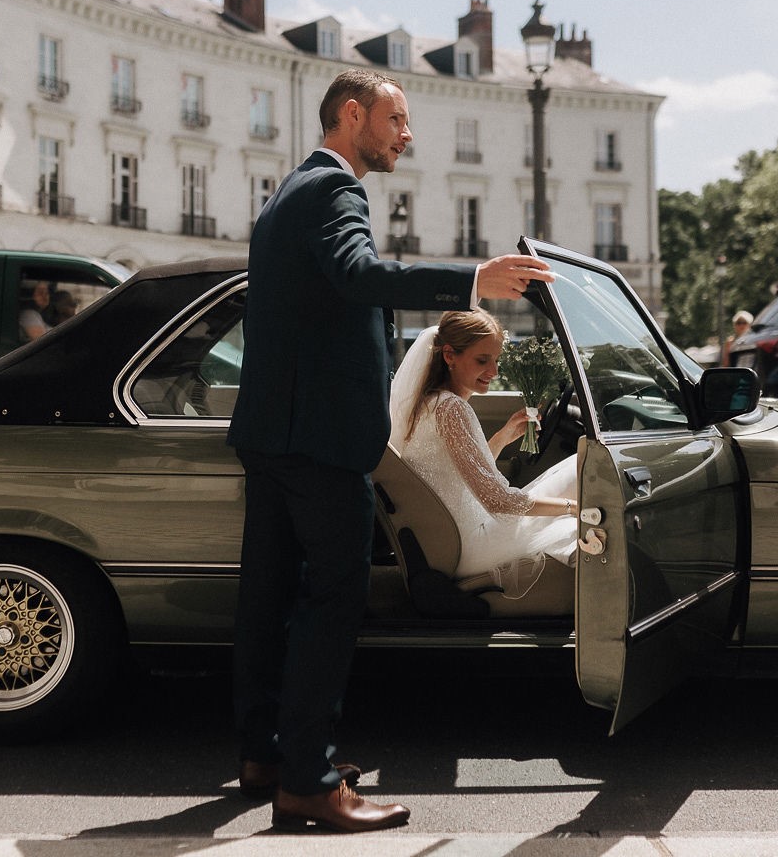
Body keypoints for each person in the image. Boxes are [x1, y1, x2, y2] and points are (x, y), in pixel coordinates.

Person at [226, 68, 555, 833]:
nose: (407, 135)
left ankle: (265, 756)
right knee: (330, 602)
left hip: (273, 436)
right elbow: (360, 274)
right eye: (397, 120)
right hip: (321, 443)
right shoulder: (336, 192)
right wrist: (473, 277)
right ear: (352, 116)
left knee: (266, 601)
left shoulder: (286, 195)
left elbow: (324, 309)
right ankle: (307, 782)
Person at [389, 310, 578, 597]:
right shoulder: (451, 408)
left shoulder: (432, 403)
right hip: (471, 546)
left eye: (496, 360)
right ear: (450, 356)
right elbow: (497, 499)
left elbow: (458, 474)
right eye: (482, 360)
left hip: (455, 541)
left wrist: (502, 437)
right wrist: (574, 507)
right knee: (580, 467)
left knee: (571, 475)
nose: (494, 371)